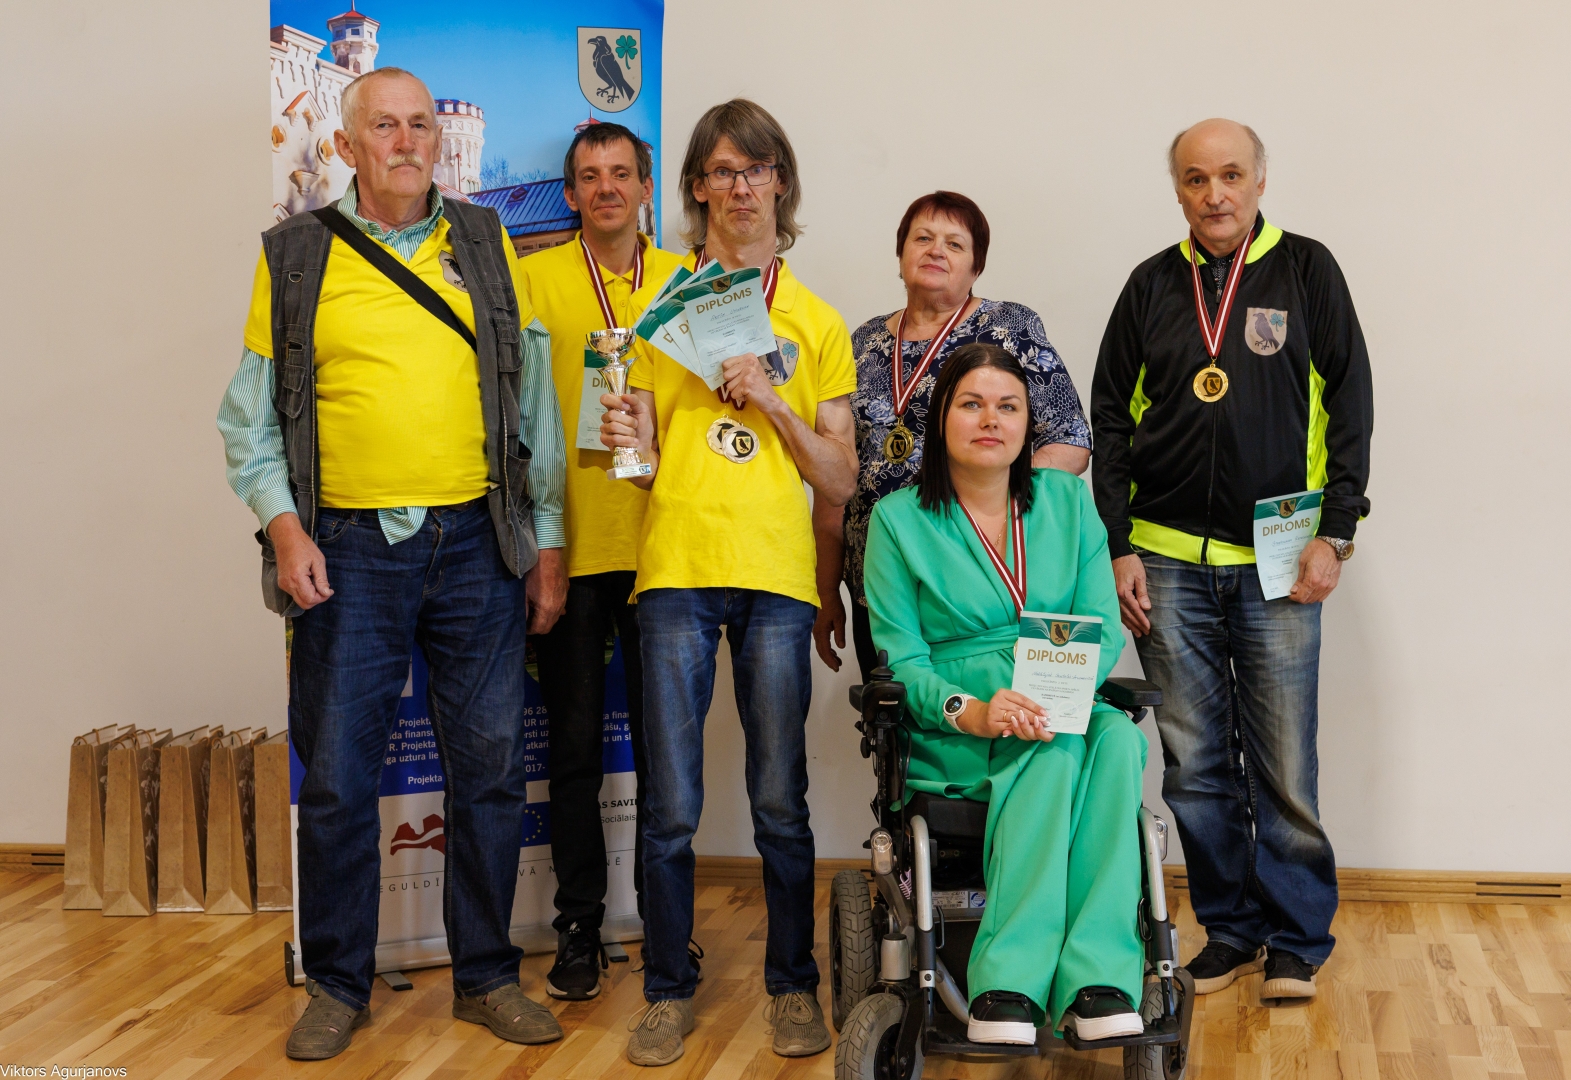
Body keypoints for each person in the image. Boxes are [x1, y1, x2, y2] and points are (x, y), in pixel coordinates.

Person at [216, 68, 568, 1060]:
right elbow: (248, 419)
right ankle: (337, 984)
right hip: (347, 553)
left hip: (478, 546)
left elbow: (535, 404)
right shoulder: (295, 255)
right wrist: (285, 530)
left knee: (490, 775)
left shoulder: (489, 243)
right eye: (384, 125)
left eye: (420, 124)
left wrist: (545, 541)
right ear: (347, 144)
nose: (407, 140)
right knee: (336, 779)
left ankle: (487, 976)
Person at [599, 98, 858, 1067]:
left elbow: (839, 478)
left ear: (780, 183)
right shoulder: (657, 311)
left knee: (778, 801)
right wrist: (626, 441)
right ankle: (666, 991)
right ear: (696, 189)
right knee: (669, 807)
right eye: (720, 171)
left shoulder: (816, 321)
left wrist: (773, 401)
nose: (740, 187)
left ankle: (792, 987)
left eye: (756, 169)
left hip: (777, 578)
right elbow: (637, 464)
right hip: (674, 569)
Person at [1089, 119, 1373, 1003]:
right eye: (1194, 178)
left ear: (1258, 181)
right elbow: (1108, 417)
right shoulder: (1149, 285)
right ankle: (1230, 929)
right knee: (1194, 764)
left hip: (1279, 558)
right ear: (1177, 188)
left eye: (1229, 175)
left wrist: (1336, 530)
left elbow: (1350, 403)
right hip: (1166, 560)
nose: (1213, 194)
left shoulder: (1308, 270)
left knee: (1284, 762)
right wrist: (1119, 543)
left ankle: (1295, 939)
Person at [863, 343, 1146, 1046]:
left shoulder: (1067, 503)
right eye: (971, 404)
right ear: (940, 419)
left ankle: (1098, 979)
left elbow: (1101, 624)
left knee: (1117, 739)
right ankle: (1013, 980)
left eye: (1008, 406)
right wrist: (976, 711)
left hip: (1060, 700)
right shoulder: (898, 520)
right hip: (959, 729)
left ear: (1027, 424)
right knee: (1052, 749)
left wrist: (1054, 695)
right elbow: (901, 660)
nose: (990, 419)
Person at [514, 122, 685, 1002]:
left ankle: (668, 928)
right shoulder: (532, 278)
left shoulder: (689, 283)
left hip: (669, 552)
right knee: (574, 751)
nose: (606, 187)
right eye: (589, 176)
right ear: (571, 193)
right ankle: (577, 927)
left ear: (646, 186)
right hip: (572, 549)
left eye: (622, 172)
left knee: (665, 758)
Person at [813, 191, 1092, 683]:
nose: (935, 251)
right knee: (901, 718)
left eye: (954, 244)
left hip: (976, 581)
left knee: (998, 716)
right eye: (922, 238)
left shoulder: (1009, 327)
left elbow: (1069, 440)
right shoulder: (862, 343)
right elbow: (836, 475)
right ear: (900, 254)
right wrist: (825, 586)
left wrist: (992, 498)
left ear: (976, 266)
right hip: (878, 581)